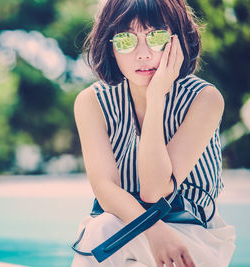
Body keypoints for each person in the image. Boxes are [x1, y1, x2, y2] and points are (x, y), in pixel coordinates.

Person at [71, 0, 236, 266]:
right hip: (123, 225)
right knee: (101, 229)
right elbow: (105, 188)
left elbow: (155, 191)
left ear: (178, 40)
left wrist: (156, 96)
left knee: (103, 232)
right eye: (126, 40)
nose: (143, 53)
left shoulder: (204, 99)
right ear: (110, 47)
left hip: (192, 231)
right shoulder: (92, 102)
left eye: (155, 37)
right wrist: (153, 231)